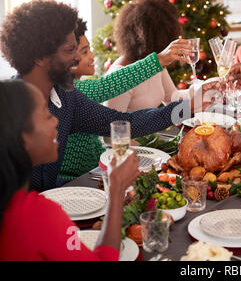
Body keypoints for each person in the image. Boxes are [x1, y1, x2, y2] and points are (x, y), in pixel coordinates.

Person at [0, 0, 216, 192]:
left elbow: (124, 123)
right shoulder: (8, 109)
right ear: (39, 57)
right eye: (69, 51)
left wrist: (186, 109)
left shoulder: (65, 98)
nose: (77, 59)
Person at [0, 79, 141, 260]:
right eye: (46, 115)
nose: (55, 121)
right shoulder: (39, 216)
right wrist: (116, 190)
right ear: (22, 137)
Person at [58, 16, 191, 183]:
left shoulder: (80, 84)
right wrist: (159, 59)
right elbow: (106, 87)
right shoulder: (72, 91)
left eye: (88, 49)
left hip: (95, 170)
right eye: (84, 52)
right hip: (75, 181)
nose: (92, 55)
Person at [104, 0, 196, 112]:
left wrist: (203, 91)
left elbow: (173, 99)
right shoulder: (118, 77)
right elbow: (111, 127)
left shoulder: (154, 63)